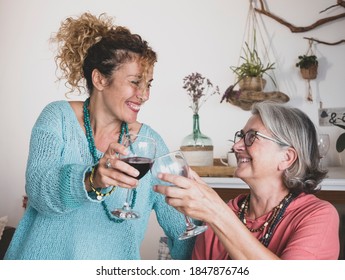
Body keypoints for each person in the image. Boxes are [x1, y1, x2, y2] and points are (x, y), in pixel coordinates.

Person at [5, 12, 195, 260]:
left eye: (148, 84)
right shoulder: (57, 118)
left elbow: (185, 231)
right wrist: (91, 179)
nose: (144, 94)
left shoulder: (151, 145)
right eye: (135, 82)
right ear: (100, 79)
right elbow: (39, 192)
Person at [154, 101, 340, 260]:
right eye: (241, 136)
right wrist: (215, 212)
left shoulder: (318, 216)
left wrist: (216, 212)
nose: (236, 146)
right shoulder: (225, 212)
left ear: (286, 157)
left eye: (252, 137)